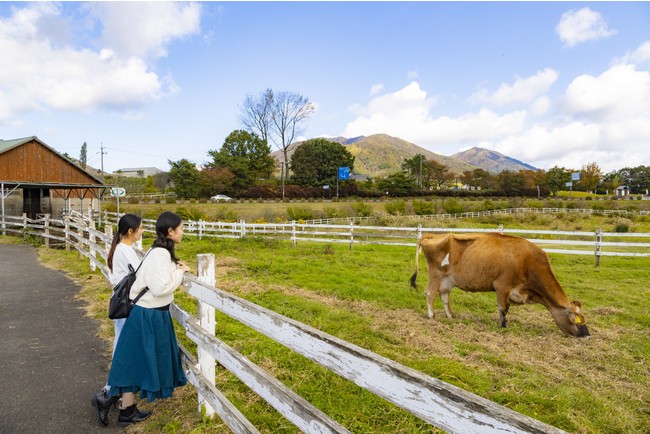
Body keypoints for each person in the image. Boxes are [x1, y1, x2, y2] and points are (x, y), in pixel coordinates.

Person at [104, 211, 190, 425]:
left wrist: (176, 268)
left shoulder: (161, 252)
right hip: (147, 315)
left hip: (151, 314)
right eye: (181, 229)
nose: (183, 232)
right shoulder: (159, 253)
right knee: (136, 361)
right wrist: (180, 273)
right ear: (170, 231)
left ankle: (126, 409)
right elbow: (160, 288)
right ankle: (118, 406)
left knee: (136, 361)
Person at [91, 213, 143, 426]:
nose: (142, 232)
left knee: (123, 351)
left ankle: (122, 402)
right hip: (126, 307)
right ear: (131, 231)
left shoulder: (123, 249)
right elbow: (140, 276)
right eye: (140, 228)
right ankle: (107, 396)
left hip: (123, 306)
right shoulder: (124, 250)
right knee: (124, 353)